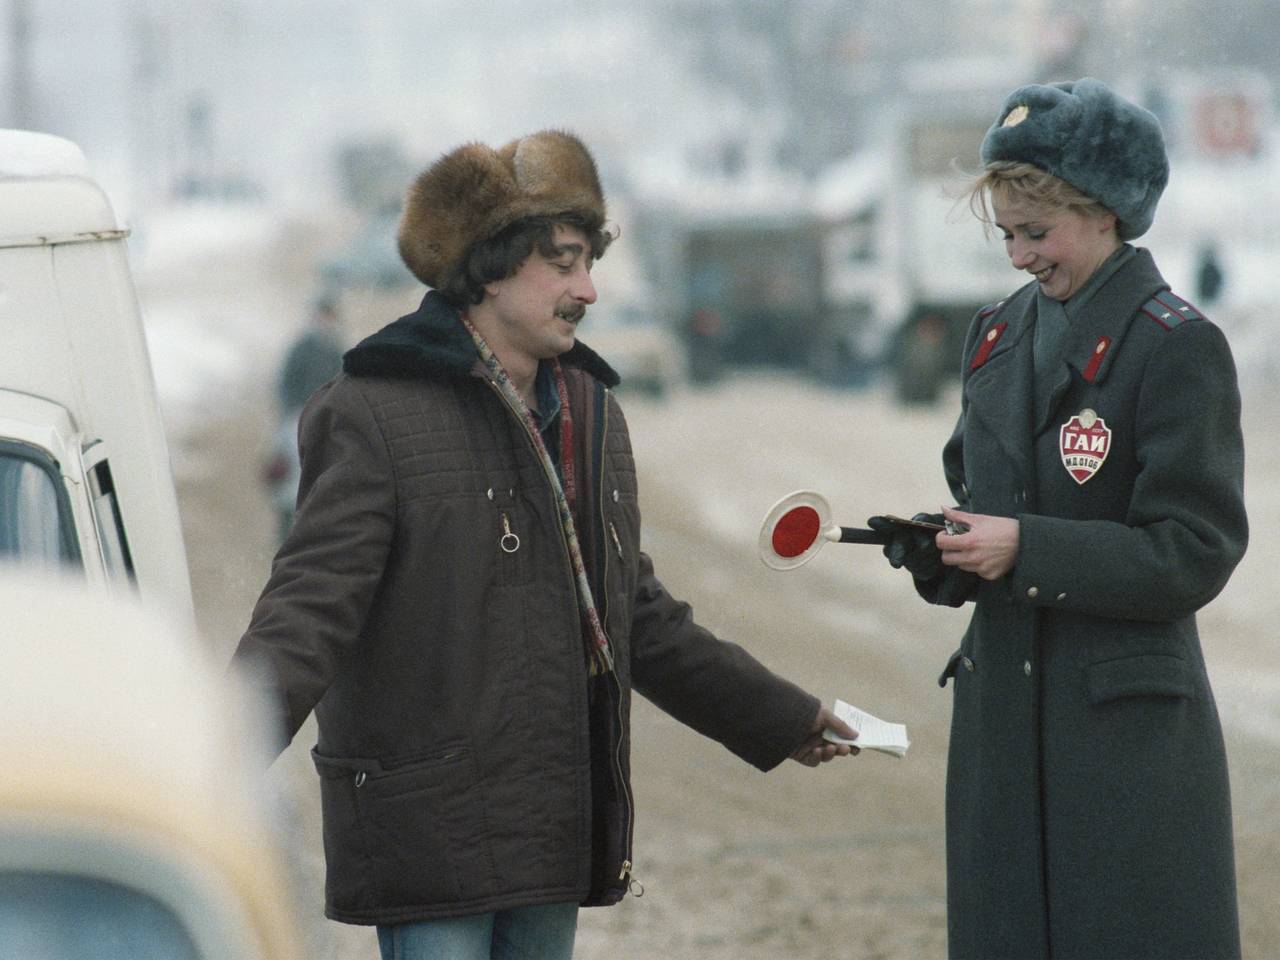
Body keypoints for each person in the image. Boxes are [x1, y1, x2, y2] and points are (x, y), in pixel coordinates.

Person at [231, 129, 858, 960]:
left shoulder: (592, 412)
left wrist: (783, 716)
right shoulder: (373, 411)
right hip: (430, 841)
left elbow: (636, 615)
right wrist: (212, 753)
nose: (588, 288)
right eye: (562, 263)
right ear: (489, 265)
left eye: (589, 261)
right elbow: (309, 612)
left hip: (549, 834)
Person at [869, 79, 1247, 959]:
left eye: (1037, 233)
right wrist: (943, 548)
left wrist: (1025, 547)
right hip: (1003, 731)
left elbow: (1194, 551)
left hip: (1122, 749)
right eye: (1006, 235)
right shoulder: (997, 336)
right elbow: (983, 503)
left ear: (1109, 212)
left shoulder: (1175, 345)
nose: (1018, 258)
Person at [262, 296, 345, 541]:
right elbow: (286, 384)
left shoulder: (335, 349)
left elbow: (342, 386)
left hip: (325, 422)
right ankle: (286, 538)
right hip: (296, 421)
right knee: (291, 486)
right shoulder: (301, 348)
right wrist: (291, 414)